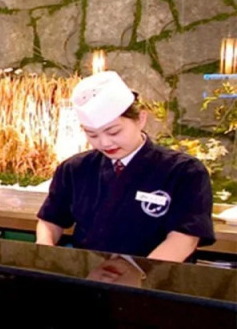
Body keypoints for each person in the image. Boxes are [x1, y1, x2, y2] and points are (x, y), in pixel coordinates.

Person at [37, 71, 215, 263]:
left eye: (113, 131)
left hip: (157, 276)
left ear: (141, 119)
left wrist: (140, 274)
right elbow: (51, 220)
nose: (104, 143)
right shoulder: (75, 169)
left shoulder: (184, 171)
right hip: (89, 274)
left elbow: (185, 237)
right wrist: (44, 250)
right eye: (92, 135)